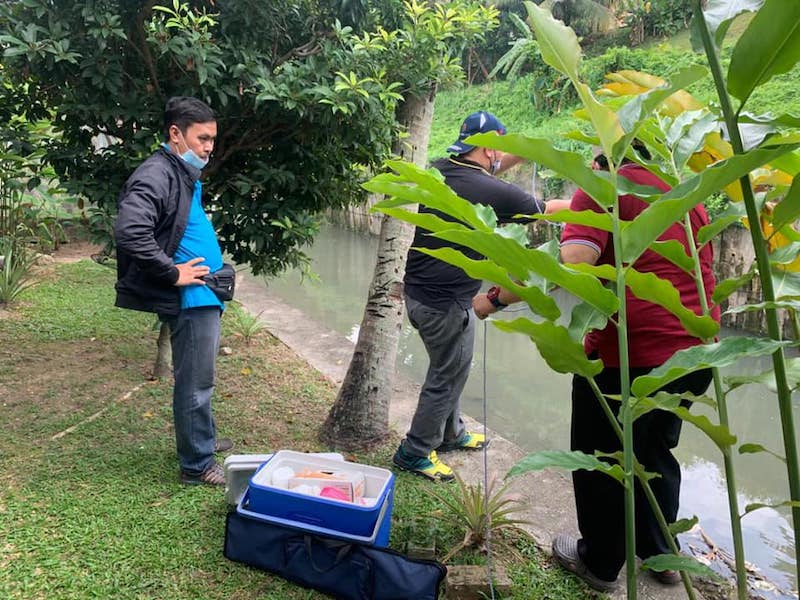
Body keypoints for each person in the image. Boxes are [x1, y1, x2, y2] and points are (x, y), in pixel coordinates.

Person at [473, 143, 718, 591]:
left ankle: (601, 562)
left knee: (601, 458)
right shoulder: (684, 193)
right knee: (654, 451)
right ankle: (662, 555)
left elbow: (572, 267)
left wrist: (493, 298)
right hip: (696, 352)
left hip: (630, 357)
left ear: (602, 158)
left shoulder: (599, 188)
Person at [392, 110, 570, 482]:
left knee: (454, 367)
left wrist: (520, 152)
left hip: (422, 293)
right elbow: (547, 210)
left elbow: (487, 177)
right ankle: (415, 451)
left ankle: (452, 433)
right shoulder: (490, 190)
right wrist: (602, 208)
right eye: (498, 149)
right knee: (447, 375)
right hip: (445, 304)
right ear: (488, 150)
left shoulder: (445, 171)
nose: (499, 158)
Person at [114, 96, 234, 487]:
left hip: (204, 294)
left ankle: (204, 441)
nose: (209, 147)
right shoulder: (156, 174)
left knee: (202, 380)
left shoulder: (179, 171)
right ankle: (196, 466)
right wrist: (171, 273)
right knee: (196, 383)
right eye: (202, 138)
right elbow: (131, 231)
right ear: (175, 134)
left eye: (213, 139)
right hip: (191, 298)